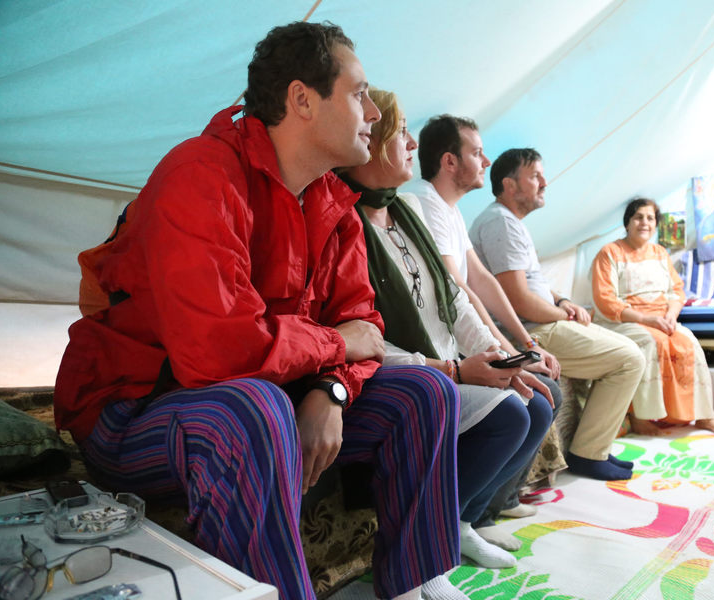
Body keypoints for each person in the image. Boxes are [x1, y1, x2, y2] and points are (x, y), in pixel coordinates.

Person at [54, 23, 461, 600]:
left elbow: (364, 328)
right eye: (359, 94)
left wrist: (330, 390)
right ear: (302, 100)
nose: (374, 113)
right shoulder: (200, 174)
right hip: (135, 408)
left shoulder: (335, 205)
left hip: (272, 390)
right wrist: (334, 346)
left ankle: (413, 585)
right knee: (252, 410)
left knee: (426, 392)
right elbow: (217, 353)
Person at [339, 89, 554, 576]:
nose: (413, 143)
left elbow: (455, 297)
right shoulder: (345, 221)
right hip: (408, 371)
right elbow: (358, 335)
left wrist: (501, 356)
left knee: (536, 402)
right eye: (400, 132)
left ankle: (461, 521)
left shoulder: (407, 211)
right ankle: (440, 533)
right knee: (510, 415)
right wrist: (453, 369)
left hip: (445, 360)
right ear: (368, 143)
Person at [403, 114, 563, 550]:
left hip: (465, 342)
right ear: (450, 161)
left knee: (546, 395)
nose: (486, 160)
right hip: (444, 348)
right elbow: (459, 291)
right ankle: (457, 521)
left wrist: (524, 345)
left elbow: (482, 281)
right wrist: (507, 353)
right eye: (477, 152)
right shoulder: (423, 202)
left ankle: (477, 514)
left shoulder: (450, 209)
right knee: (531, 402)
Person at [469, 148, 644, 481]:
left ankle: (595, 448)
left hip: (544, 321)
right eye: (535, 176)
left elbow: (534, 285)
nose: (545, 182)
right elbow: (520, 301)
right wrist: (564, 317)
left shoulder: (510, 222)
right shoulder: (499, 223)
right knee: (630, 358)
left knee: (628, 347)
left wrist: (563, 301)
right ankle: (588, 454)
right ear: (509, 185)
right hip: (533, 329)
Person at [591, 198, 714, 437]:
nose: (644, 223)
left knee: (688, 342)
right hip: (625, 320)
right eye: (638, 217)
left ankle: (704, 416)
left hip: (661, 318)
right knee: (651, 342)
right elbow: (606, 300)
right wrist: (647, 320)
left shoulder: (660, 253)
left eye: (650, 218)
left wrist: (670, 316)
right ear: (627, 223)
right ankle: (641, 416)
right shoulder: (610, 253)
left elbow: (676, 291)